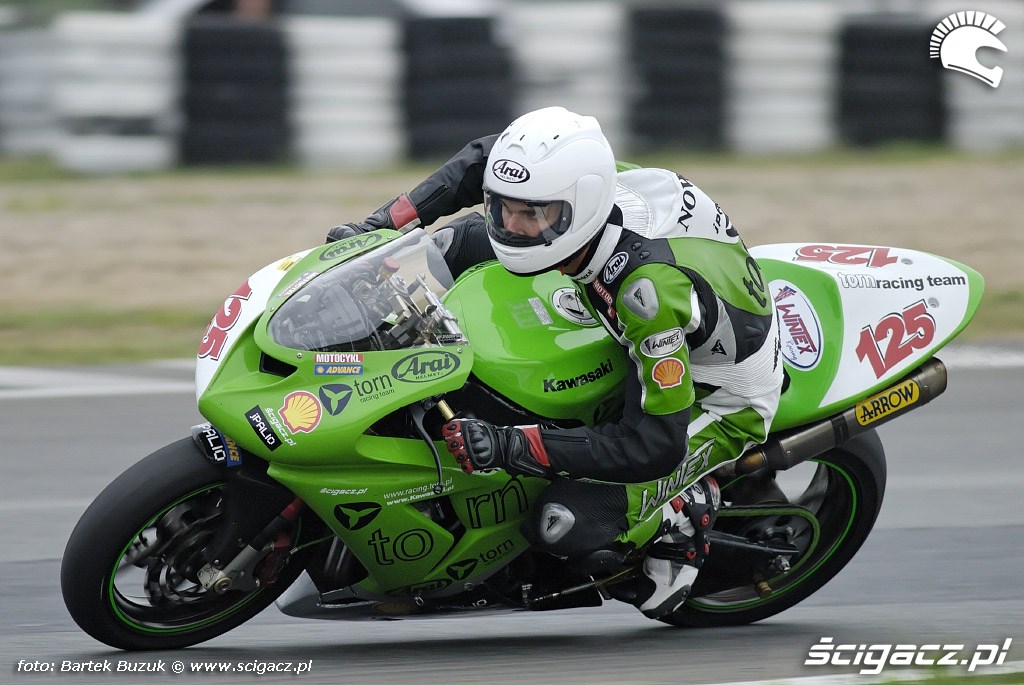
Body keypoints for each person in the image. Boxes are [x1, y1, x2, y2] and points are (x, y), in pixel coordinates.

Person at [327, 107, 783, 619]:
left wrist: (509, 444)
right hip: (649, 296)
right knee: (455, 243)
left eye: (532, 215)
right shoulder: (569, 183)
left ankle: (682, 517)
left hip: (718, 393)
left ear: (577, 210)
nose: (511, 227)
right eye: (504, 208)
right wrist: (380, 228)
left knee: (563, 524)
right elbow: (482, 158)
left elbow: (653, 444)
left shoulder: (644, 294)